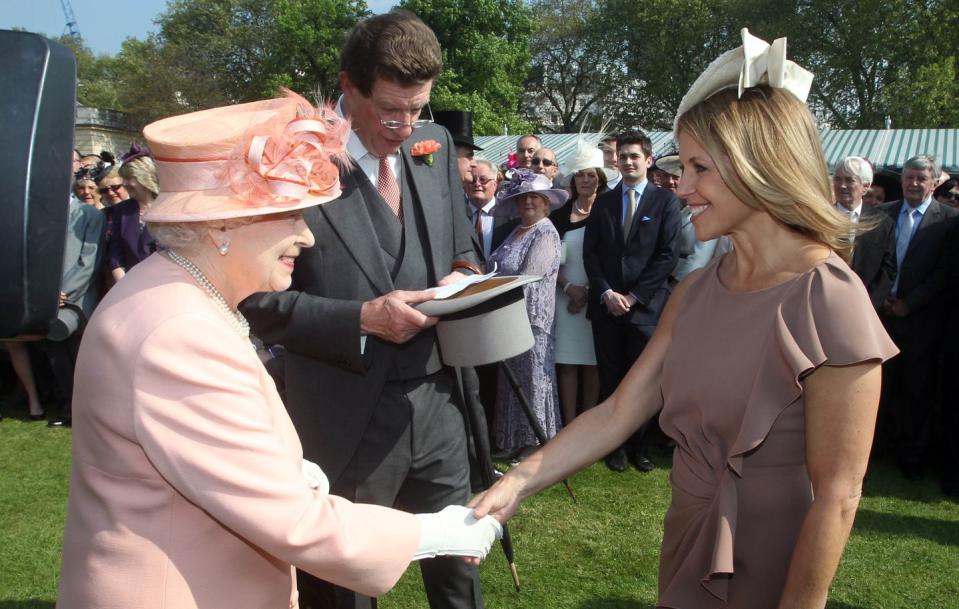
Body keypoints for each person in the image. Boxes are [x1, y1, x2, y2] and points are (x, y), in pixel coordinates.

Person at [470, 29, 898, 609]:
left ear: (760, 166)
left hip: (777, 563)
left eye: (699, 168)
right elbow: (620, 410)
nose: (683, 187)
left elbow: (840, 496)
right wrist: (519, 480)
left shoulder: (831, 298)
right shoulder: (696, 291)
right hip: (690, 539)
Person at [56, 93, 501, 609]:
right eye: (289, 216)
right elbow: (293, 521)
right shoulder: (177, 332)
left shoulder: (172, 292)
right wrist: (434, 534)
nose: (307, 236)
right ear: (221, 227)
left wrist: (286, 466)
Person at [240, 12, 490, 609]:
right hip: (340, 413)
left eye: (417, 109)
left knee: (458, 571)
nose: (404, 127)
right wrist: (359, 319)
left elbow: (466, 252)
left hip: (439, 404)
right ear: (348, 88)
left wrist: (463, 279)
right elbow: (255, 299)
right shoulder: (289, 167)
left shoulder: (435, 158)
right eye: (389, 109)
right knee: (346, 589)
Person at [582, 129, 681, 473]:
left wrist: (634, 296)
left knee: (641, 380)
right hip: (607, 307)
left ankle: (640, 446)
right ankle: (615, 447)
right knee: (611, 378)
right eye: (622, 156)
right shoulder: (604, 201)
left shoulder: (665, 202)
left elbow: (668, 256)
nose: (627, 161)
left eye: (634, 156)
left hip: (645, 309)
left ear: (648, 160)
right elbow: (590, 253)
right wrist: (607, 293)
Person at [877, 154, 958, 480]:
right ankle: (876, 449)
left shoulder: (948, 220)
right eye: (908, 177)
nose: (912, 184)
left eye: (920, 179)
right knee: (880, 387)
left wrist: (910, 303)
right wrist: (883, 298)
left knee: (918, 391)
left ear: (934, 182)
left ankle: (912, 456)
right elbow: (876, 260)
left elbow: (945, 272)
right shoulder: (884, 213)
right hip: (881, 316)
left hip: (921, 320)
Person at [487, 170, 564, 459]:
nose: (528, 202)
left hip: (532, 318)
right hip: (508, 317)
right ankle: (512, 440)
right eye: (522, 198)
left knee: (533, 380)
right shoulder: (517, 230)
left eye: (534, 197)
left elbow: (529, 276)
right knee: (511, 383)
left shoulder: (545, 232)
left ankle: (536, 442)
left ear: (546, 202)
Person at [550, 139, 611, 424]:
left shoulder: (610, 212)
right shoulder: (559, 213)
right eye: (580, 174)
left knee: (593, 364)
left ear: (599, 179)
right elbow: (548, 258)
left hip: (597, 298)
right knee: (567, 364)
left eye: (591, 174)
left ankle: (588, 423)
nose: (585, 179)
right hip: (563, 298)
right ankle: (568, 421)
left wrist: (587, 292)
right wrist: (568, 288)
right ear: (573, 179)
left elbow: (613, 257)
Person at [832, 156, 896, 309]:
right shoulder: (819, 218)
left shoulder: (882, 223)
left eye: (849, 180)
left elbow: (888, 269)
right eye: (838, 179)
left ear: (865, 187)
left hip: (864, 306)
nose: (842, 186)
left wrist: (869, 304)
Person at [107, 150, 159, 281]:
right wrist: (123, 283)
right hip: (129, 282)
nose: (124, 183)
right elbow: (115, 251)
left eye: (129, 178)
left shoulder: (167, 207)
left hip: (163, 283)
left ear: (144, 177)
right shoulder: (122, 210)